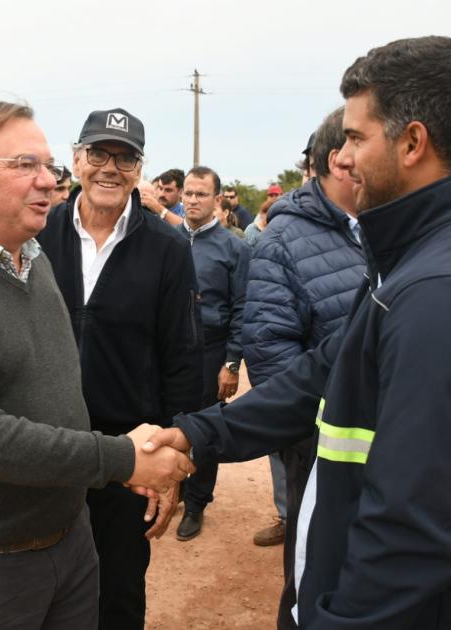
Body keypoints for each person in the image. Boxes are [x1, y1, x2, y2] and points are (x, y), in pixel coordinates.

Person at [143, 36, 451, 629]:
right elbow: (326, 370)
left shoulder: (448, 293)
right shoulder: (419, 254)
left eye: (357, 138)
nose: (344, 158)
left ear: (412, 142)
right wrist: (199, 434)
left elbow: (410, 532)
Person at [0, 100, 192, 630]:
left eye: (48, 167)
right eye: (25, 165)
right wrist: (120, 459)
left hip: (69, 539)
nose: (48, 181)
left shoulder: (33, 258)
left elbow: (64, 391)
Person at [37, 107, 204, 629]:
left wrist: (174, 457)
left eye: (126, 157)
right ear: (76, 158)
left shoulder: (168, 248)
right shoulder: (37, 235)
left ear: (140, 169)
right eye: (99, 154)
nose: (110, 168)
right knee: (38, 589)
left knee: (119, 595)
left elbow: (182, 357)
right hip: (43, 445)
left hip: (130, 451)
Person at [243, 107, 367, 629]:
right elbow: (272, 354)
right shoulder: (284, 240)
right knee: (311, 577)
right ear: (340, 161)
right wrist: (316, 436)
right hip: (319, 449)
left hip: (380, 453)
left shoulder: (383, 229)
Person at [175, 166, 250, 542]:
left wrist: (232, 363)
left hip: (211, 347)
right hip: (171, 347)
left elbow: (242, 309)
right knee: (169, 419)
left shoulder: (234, 248)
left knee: (205, 427)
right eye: (187, 193)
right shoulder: (168, 240)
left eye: (201, 194)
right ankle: (170, 489)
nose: (192, 200)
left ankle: (196, 502)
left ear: (217, 199)